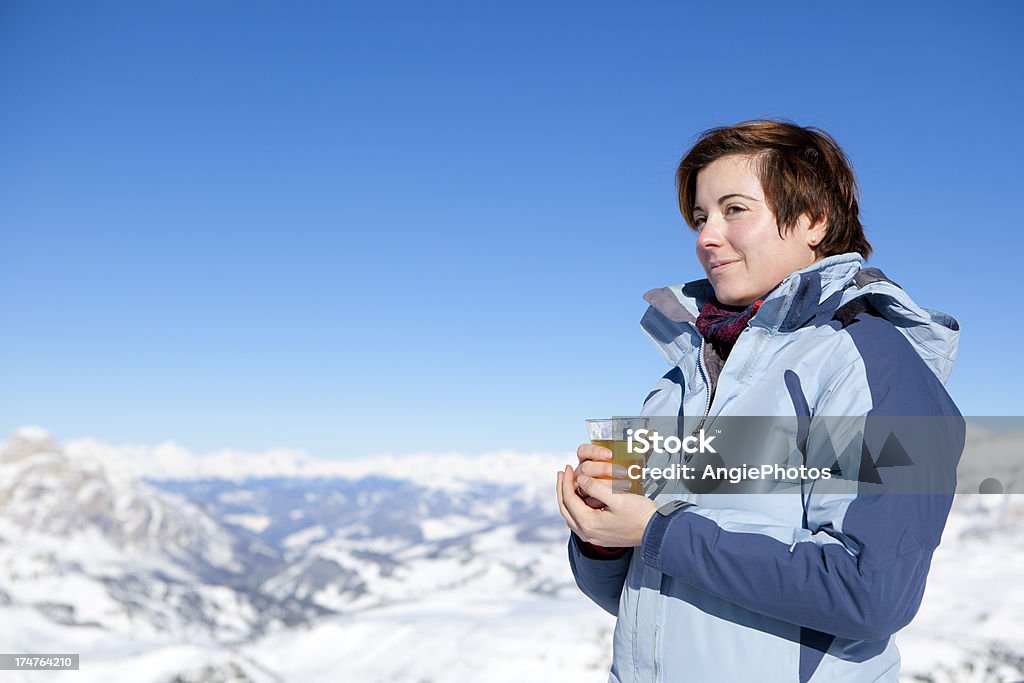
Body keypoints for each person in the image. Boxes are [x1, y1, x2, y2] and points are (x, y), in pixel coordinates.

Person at [556, 120, 964, 682]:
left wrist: (656, 531)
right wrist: (603, 536)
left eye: (734, 210)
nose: (705, 236)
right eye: (700, 218)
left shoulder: (873, 366)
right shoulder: (682, 379)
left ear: (814, 220)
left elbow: (872, 593)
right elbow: (647, 600)